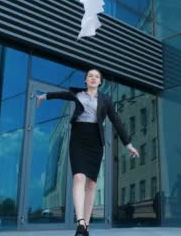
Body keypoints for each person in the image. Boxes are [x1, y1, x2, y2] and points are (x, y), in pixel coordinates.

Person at [37, 68, 139, 236]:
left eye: (96, 76)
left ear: (100, 82)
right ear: (85, 80)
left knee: (91, 184)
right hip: (78, 138)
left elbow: (117, 121)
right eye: (90, 76)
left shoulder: (106, 100)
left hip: (95, 142)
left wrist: (128, 145)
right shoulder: (77, 94)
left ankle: (86, 226)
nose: (93, 78)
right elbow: (62, 94)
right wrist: (45, 96)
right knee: (78, 177)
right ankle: (80, 223)